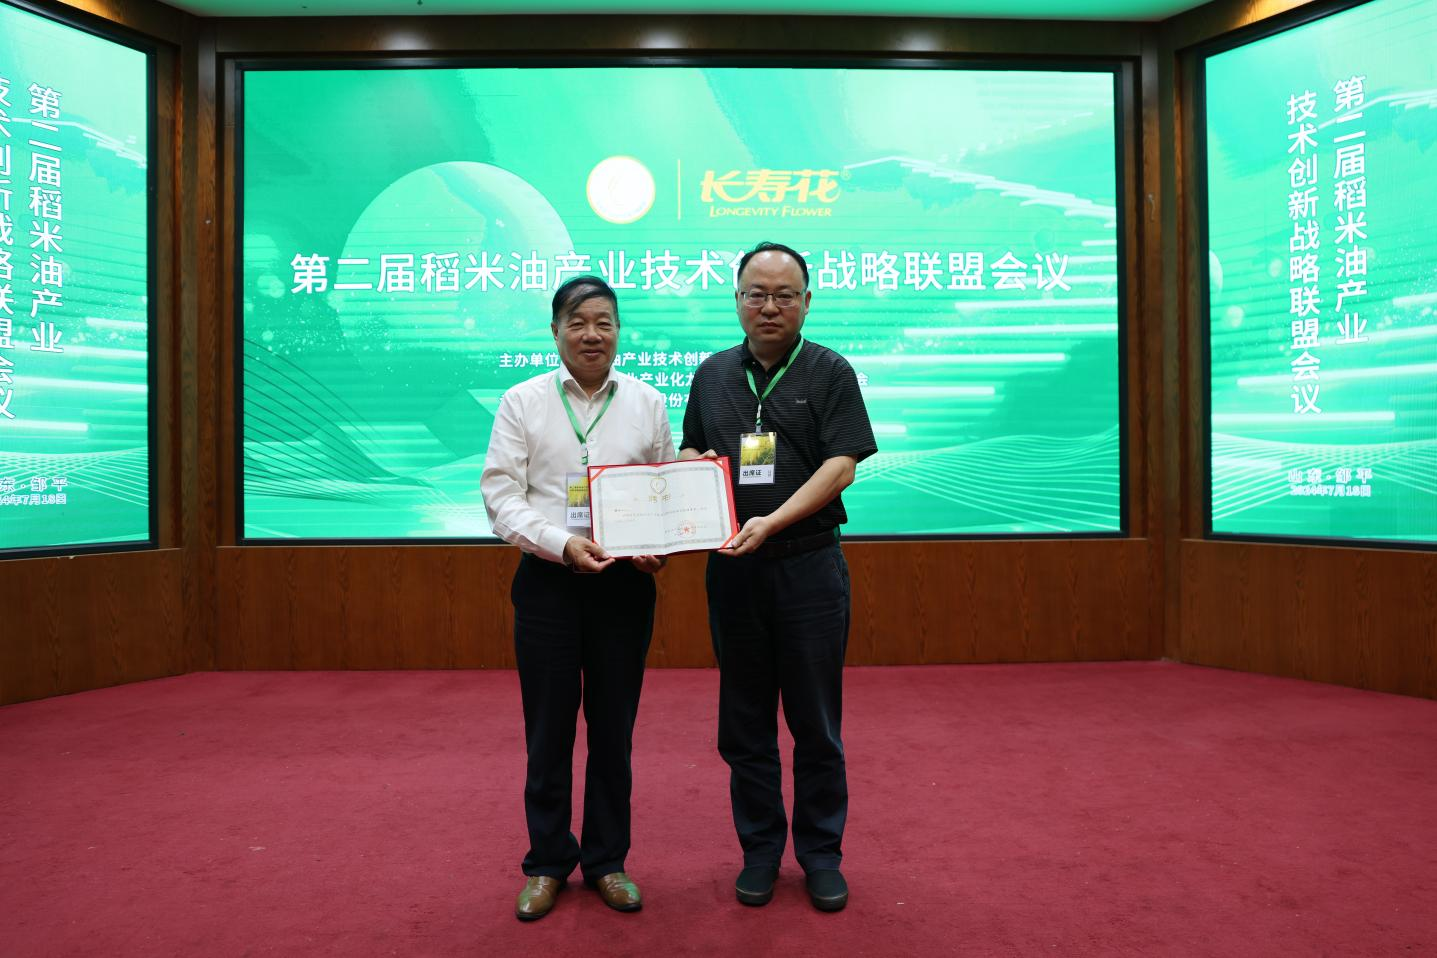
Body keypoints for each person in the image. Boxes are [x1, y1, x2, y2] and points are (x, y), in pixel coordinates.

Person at [680, 242, 876, 912]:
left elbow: (842, 465)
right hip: (734, 571)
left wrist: (773, 521)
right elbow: (692, 445)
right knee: (744, 723)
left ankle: (821, 855)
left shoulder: (829, 370)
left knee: (815, 723)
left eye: (784, 295)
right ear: (736, 299)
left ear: (806, 302)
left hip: (807, 568)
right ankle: (760, 851)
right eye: (756, 294)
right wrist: (692, 468)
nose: (769, 306)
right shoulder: (711, 374)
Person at [481, 275, 674, 921]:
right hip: (548, 584)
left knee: (614, 732)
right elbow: (500, 496)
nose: (592, 334)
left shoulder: (647, 402)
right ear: (555, 330)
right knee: (548, 731)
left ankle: (607, 861)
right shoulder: (522, 401)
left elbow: (663, 490)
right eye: (578, 322)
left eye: (604, 322)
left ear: (618, 331)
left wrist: (659, 544)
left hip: (623, 587)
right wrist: (561, 543)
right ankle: (546, 864)